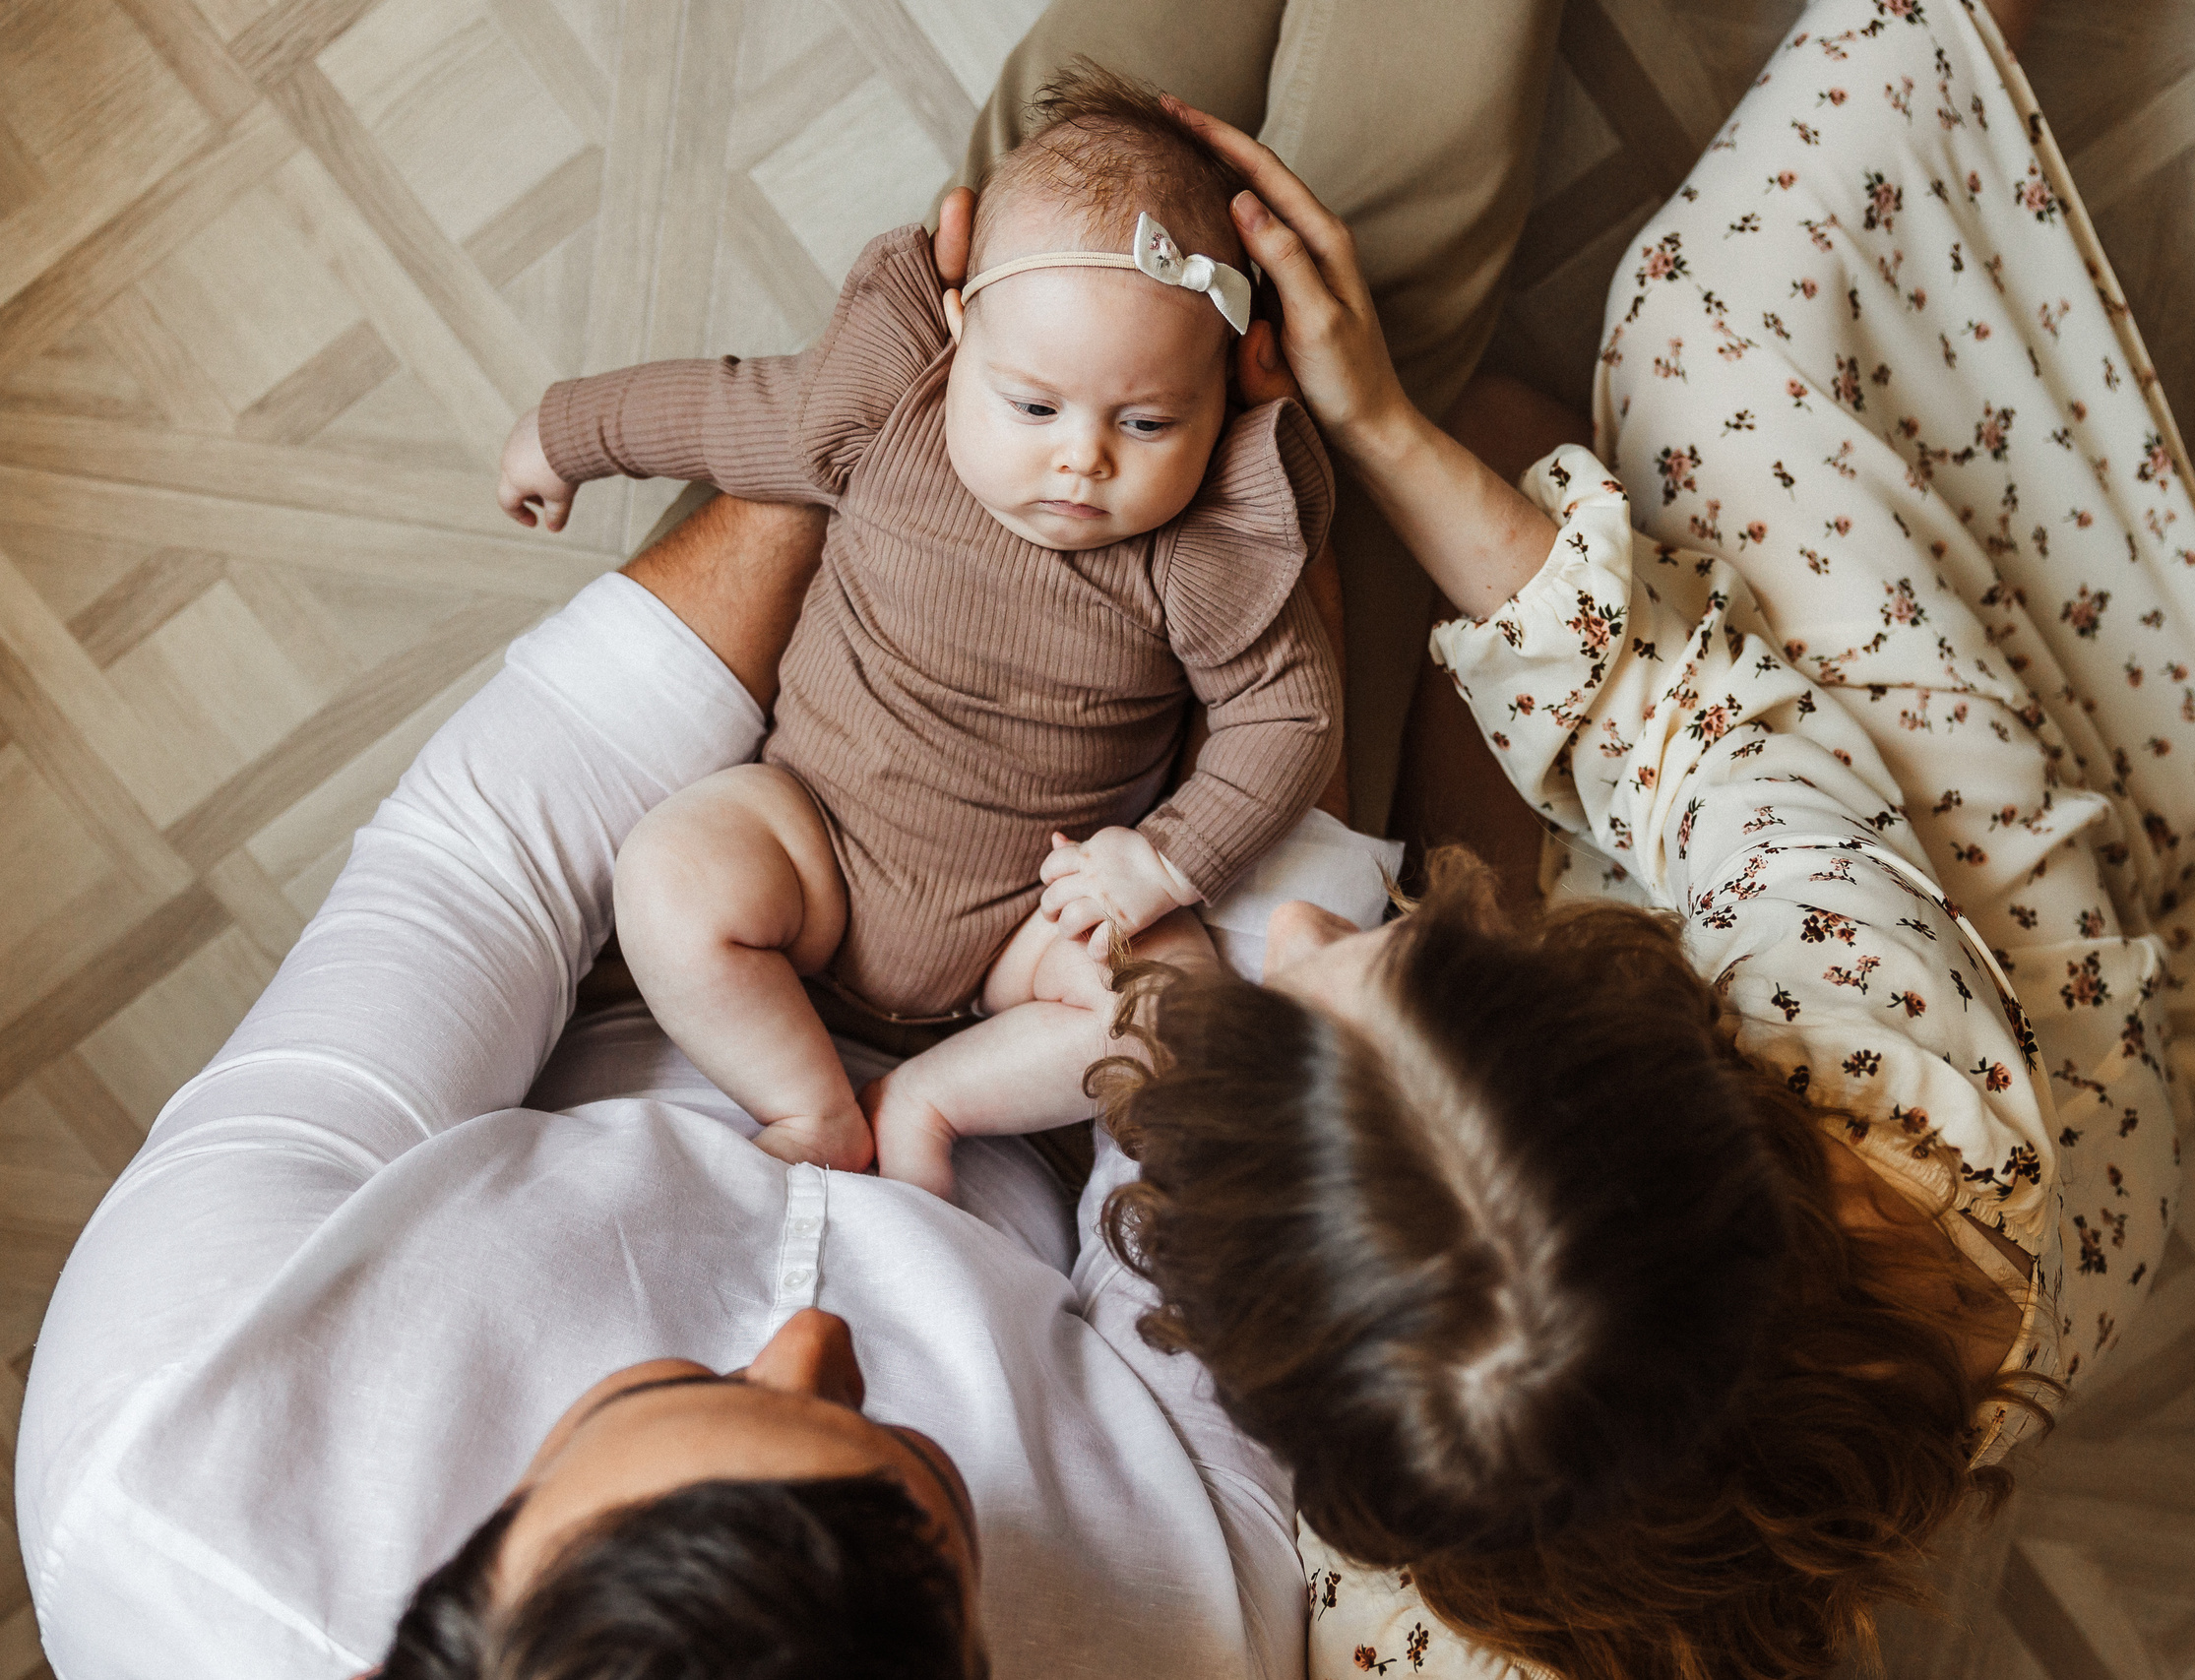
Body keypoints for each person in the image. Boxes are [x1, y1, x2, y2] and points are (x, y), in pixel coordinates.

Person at [946, 0, 2195, 1674]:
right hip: (2001, 1022)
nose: (1315, 929)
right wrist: (1382, 423)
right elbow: (1662, 708)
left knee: (1494, 434)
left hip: (1941, 1282)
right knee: (1685, 339)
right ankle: (2124, 759)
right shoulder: (1874, 1058)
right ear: (1659, 1017)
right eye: (1411, 941)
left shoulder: (1386, 1625)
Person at [11, 486, 1400, 1679]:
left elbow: (481, 862)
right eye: (912, 1454)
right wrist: (1262, 530)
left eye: (651, 1393)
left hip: (706, 912)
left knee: (1064, 287)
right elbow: (1231, 1138)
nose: (813, 1345)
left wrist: (878, 412)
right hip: (1082, 1065)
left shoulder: (164, 1423)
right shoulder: (1182, 1637)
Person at [494, 70, 1340, 1195]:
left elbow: (1289, 715)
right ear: (956, 334)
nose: (1081, 458)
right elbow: (714, 407)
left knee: (1180, 1019)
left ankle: (931, 1099)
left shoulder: (1197, 550)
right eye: (1032, 406)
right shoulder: (887, 418)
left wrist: (1166, 859)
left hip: (1026, 923)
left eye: (1146, 422)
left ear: (1225, 396)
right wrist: (564, 433)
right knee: (670, 874)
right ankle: (809, 1103)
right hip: (813, 843)